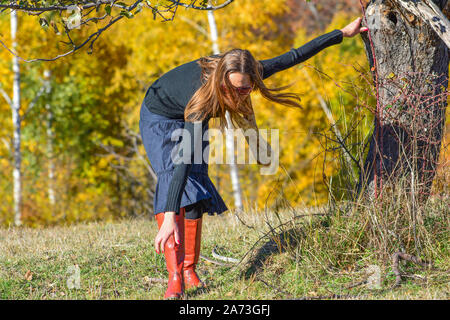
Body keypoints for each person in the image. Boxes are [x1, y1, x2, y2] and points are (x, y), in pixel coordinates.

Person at [139, 17, 368, 299]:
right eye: (231, 89)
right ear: (221, 80)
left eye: (245, 89)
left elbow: (293, 57)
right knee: (178, 176)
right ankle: (174, 278)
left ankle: (189, 269)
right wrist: (171, 214)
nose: (237, 94)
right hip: (160, 116)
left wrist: (341, 34)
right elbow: (183, 162)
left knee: (196, 189)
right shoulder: (202, 99)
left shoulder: (250, 73)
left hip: (187, 111)